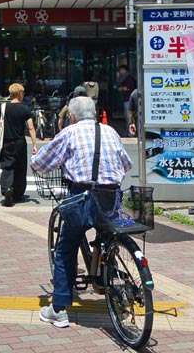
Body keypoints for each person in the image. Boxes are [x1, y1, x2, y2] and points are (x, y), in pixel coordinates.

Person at [30, 96, 133, 328]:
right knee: (107, 234)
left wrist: (34, 160)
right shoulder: (111, 132)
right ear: (95, 114)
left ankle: (58, 309)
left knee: (66, 248)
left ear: (72, 117)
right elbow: (127, 164)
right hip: (110, 197)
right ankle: (110, 274)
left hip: (82, 196)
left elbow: (42, 163)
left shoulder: (69, 132)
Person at [0, 83, 38, 207]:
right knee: (20, 168)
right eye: (23, 92)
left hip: (7, 141)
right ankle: (18, 194)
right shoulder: (25, 109)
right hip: (20, 142)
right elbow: (31, 128)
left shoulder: (3, 108)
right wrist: (35, 144)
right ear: (20, 93)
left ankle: (7, 189)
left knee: (7, 167)